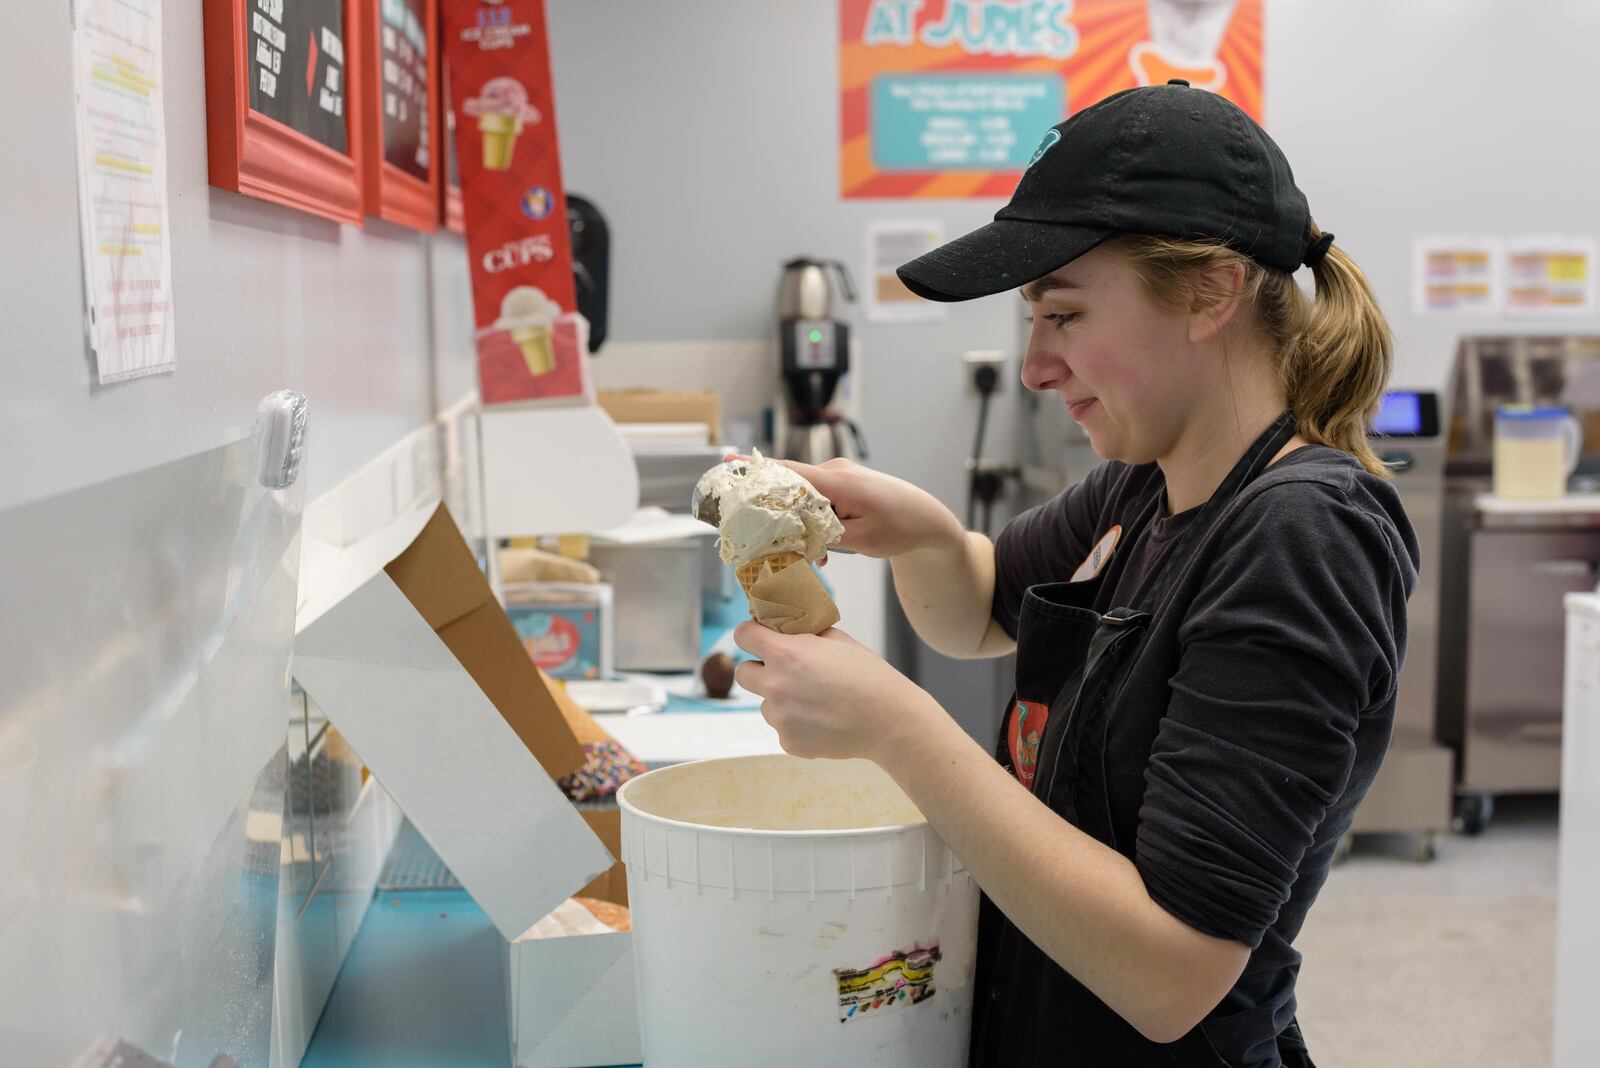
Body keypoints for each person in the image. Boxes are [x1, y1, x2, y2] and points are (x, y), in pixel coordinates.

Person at [731, 80, 1418, 1067]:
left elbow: (1171, 975)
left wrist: (898, 730)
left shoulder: (1299, 539)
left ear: (1209, 293)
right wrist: (922, 535)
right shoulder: (1147, 482)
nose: (1035, 368)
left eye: (1063, 314)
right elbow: (976, 609)